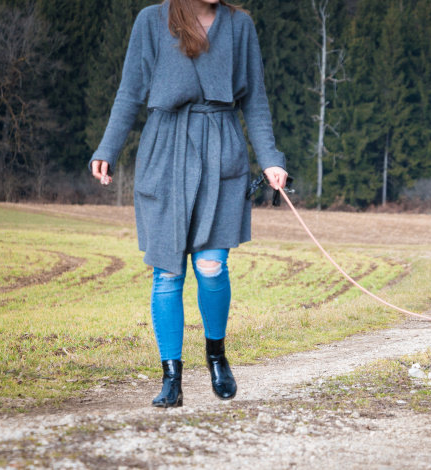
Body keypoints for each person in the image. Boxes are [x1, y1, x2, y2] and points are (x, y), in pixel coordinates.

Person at [89, 0, 288, 408]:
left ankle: (216, 354)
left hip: (222, 150)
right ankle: (171, 377)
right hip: (165, 153)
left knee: (212, 266)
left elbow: (255, 100)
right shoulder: (151, 20)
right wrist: (107, 147)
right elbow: (130, 91)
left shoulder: (240, 26)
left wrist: (270, 159)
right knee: (167, 273)